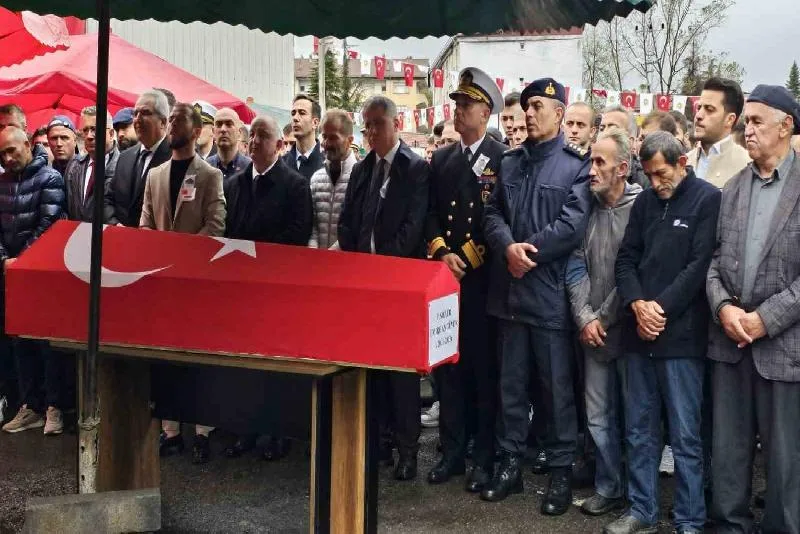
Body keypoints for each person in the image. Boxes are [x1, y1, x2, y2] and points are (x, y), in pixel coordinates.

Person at [481, 78, 591, 516]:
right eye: (526, 107)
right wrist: (507, 247)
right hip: (509, 296)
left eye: (538, 107)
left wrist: (527, 253)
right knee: (510, 386)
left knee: (555, 390)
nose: (528, 114)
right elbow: (491, 212)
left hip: (547, 296)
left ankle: (560, 470)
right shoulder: (510, 162)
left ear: (559, 113)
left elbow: (572, 224)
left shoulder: (575, 165)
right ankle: (510, 464)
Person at [610, 131, 720, 534]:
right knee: (639, 430)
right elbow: (626, 259)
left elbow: (699, 265)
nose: (656, 183)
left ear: (681, 163)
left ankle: (689, 518)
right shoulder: (645, 202)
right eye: (650, 175)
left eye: (662, 174)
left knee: (686, 435)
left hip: (681, 338)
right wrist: (638, 304)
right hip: (639, 334)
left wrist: (660, 309)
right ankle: (642, 509)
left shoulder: (707, 199)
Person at [706, 85, 800, 534]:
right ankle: (729, 525)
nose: (749, 129)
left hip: (784, 347)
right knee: (728, 450)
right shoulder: (732, 188)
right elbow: (712, 261)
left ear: (786, 127)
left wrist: (766, 319)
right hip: (730, 342)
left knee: (785, 457)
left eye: (758, 121)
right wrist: (724, 307)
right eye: (747, 121)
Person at [338, 95, 429, 481]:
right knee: (372, 368)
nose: (372, 131)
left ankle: (408, 449)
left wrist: (383, 267)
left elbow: (414, 228)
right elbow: (347, 220)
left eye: (378, 124)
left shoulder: (415, 168)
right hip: (365, 286)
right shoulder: (363, 169)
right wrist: (358, 261)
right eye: (367, 125)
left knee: (401, 373)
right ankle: (379, 441)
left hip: (400, 285)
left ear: (395, 124)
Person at [424, 68, 506, 493]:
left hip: (483, 283)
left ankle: (483, 456)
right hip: (447, 281)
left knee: (482, 371)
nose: (458, 111)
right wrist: (442, 251)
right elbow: (431, 213)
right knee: (448, 370)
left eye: (467, 105)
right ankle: (452, 450)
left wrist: (467, 258)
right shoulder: (442, 159)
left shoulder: (502, 158)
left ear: (486, 112)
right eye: (456, 104)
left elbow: (500, 219)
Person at [221, 115, 312, 460]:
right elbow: (228, 231)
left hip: (277, 287)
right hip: (243, 289)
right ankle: (246, 429)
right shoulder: (235, 184)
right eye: (253, 135)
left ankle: (278, 432)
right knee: (245, 365)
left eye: (263, 136)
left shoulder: (295, 185)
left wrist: (260, 255)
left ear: (279, 145)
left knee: (277, 367)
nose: (256, 141)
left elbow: (298, 234)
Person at [139, 103, 225, 464]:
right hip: (163, 283)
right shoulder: (155, 175)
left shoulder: (210, 175)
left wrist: (182, 257)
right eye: (170, 119)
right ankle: (170, 431)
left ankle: (203, 432)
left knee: (199, 360)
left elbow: (215, 226)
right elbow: (145, 223)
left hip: (197, 282)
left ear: (196, 131)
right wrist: (159, 255)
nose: (172, 125)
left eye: (179, 120)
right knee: (165, 360)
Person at [566, 128, 642, 517]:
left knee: (635, 418)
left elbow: (635, 270)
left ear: (623, 168)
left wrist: (603, 318)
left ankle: (639, 497)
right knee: (597, 417)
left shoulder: (642, 207)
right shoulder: (586, 206)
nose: (591, 170)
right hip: (592, 333)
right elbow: (575, 264)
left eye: (600, 162)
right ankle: (608, 486)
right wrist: (584, 317)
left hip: (629, 333)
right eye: (590, 161)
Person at [0, 126, 66, 436]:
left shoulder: (50, 178)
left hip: (41, 274)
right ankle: (30, 406)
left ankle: (53, 406)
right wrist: (5, 260)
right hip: (12, 273)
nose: (7, 158)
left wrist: (22, 262)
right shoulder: (2, 182)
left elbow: (49, 225)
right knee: (19, 341)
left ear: (27, 144)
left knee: (46, 343)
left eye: (12, 151)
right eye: (2, 154)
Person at [104, 90, 172, 227]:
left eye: (145, 113)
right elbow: (107, 199)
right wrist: (116, 225)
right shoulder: (125, 157)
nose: (138, 119)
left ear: (163, 122)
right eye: (135, 114)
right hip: (120, 236)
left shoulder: (174, 158)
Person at [687, 77, 749, 188]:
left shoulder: (746, 167)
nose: (698, 115)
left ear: (730, 119)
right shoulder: (683, 162)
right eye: (699, 108)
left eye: (709, 109)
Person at [309, 109, 356, 249]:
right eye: (324, 136)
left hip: (347, 259)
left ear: (349, 140)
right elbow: (312, 225)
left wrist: (332, 254)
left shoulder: (360, 179)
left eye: (333, 138)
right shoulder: (316, 179)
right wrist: (313, 251)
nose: (326, 143)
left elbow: (355, 227)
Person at [65, 106, 119, 221]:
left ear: (111, 134)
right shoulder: (74, 166)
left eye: (95, 129)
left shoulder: (123, 166)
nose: (89, 136)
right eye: (85, 130)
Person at [282, 94, 324, 180]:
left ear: (315, 123)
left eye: (302, 113)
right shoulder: (280, 165)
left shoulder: (329, 165)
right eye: (293, 113)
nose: (295, 118)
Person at [206, 108, 251, 180]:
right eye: (219, 124)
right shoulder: (205, 167)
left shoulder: (250, 169)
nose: (223, 129)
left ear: (239, 132)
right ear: (213, 132)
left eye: (229, 124)